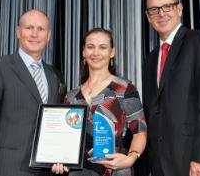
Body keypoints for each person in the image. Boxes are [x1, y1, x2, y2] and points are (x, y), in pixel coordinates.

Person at [143, 0, 200, 176]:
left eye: (167, 6)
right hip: (161, 165)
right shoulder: (150, 60)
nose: (161, 14)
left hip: (194, 163)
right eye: (154, 9)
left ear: (179, 9)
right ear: (148, 17)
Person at [52, 28, 147, 176]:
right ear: (84, 52)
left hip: (115, 169)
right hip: (79, 171)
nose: (96, 53)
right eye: (90, 47)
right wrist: (58, 160)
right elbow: (65, 140)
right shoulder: (71, 96)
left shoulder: (125, 89)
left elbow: (140, 131)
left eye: (102, 47)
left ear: (112, 52)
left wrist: (131, 158)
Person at [0, 9, 66, 176]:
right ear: (18, 32)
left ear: (48, 36)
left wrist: (60, 156)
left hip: (46, 171)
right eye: (29, 28)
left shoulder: (55, 75)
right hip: (7, 169)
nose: (35, 34)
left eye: (41, 29)